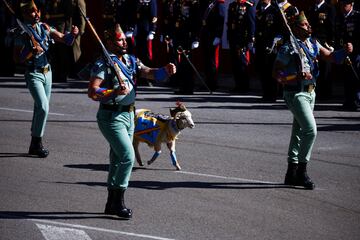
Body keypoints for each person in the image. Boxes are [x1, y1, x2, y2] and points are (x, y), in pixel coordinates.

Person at [87, 23, 176, 219]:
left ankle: (111, 203)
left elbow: (149, 72)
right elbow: (93, 92)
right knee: (127, 156)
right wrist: (113, 92)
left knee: (117, 159)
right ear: (109, 42)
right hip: (111, 116)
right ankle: (119, 201)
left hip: (129, 115)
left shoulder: (130, 60)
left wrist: (166, 70)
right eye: (119, 39)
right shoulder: (103, 63)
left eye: (124, 39)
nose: (124, 41)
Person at [272, 11, 353, 189]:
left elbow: (332, 57)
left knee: (299, 132)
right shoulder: (289, 48)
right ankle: (302, 171)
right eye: (305, 25)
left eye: (308, 24)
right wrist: (295, 76)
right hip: (295, 93)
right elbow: (276, 74)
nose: (309, 27)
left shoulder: (312, 43)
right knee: (310, 130)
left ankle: (291, 172)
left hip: (311, 92)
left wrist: (344, 51)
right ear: (295, 29)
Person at [13, 0, 79, 158]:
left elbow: (65, 40)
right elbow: (17, 58)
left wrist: (74, 34)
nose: (35, 14)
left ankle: (34, 144)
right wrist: (30, 51)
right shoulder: (20, 32)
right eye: (31, 12)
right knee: (43, 107)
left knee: (39, 109)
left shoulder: (45, 27)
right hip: (33, 73)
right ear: (24, 15)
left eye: (37, 11)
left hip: (47, 72)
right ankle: (37, 142)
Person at [161, 0, 200, 94]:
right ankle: (183, 87)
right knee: (181, 64)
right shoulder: (178, 4)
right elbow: (174, 21)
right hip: (179, 38)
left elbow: (197, 23)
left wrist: (196, 38)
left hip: (188, 39)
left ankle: (189, 87)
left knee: (188, 64)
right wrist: (170, 36)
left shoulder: (194, 5)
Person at [306, 0, 336, 100]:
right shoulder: (311, 8)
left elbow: (332, 26)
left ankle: (326, 93)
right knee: (313, 67)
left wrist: (331, 43)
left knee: (325, 69)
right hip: (313, 42)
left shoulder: (329, 8)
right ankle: (315, 91)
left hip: (324, 42)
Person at [227, 0, 256, 94]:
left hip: (243, 39)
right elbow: (230, 22)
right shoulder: (233, 5)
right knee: (235, 62)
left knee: (242, 63)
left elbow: (252, 24)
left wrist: (251, 39)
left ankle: (244, 86)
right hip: (233, 38)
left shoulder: (249, 6)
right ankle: (238, 85)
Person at [336, 0, 360, 110]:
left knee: (356, 76)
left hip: (356, 52)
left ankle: (357, 100)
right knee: (346, 76)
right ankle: (348, 100)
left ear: (351, 5)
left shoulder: (357, 17)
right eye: (341, 4)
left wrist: (354, 45)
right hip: (343, 51)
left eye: (345, 4)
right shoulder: (339, 16)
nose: (343, 6)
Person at [255, 0, 281, 101]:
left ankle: (273, 94)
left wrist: (275, 40)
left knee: (271, 70)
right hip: (261, 44)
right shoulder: (259, 10)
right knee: (263, 70)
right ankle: (266, 93)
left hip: (270, 45)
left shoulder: (274, 10)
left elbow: (278, 28)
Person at [198, 0, 225, 92]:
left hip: (213, 36)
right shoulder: (205, 3)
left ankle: (213, 84)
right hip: (205, 35)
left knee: (212, 61)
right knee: (206, 60)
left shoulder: (219, 4)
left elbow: (221, 20)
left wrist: (218, 36)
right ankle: (207, 83)